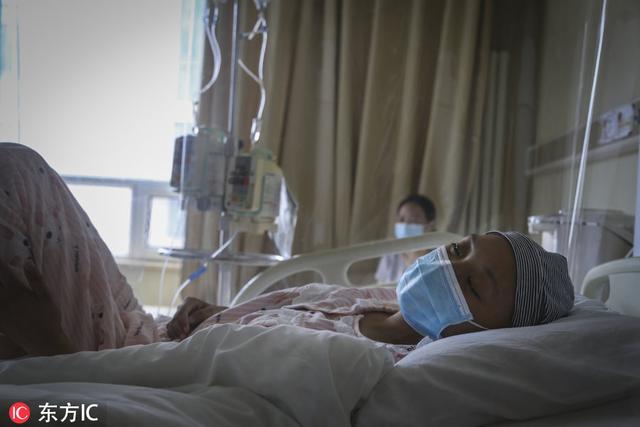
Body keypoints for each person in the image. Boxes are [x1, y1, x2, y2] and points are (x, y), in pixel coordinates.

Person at [0, 144, 575, 361]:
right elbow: (263, 322)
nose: (448, 266)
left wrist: (59, 353)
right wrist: (214, 315)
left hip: (123, 360)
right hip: (152, 330)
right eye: (458, 250)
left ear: (490, 333)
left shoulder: (381, 367)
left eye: (473, 284)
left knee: (12, 173)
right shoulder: (373, 298)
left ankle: (46, 365)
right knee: (18, 170)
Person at [375, 194, 436, 284]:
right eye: (402, 219)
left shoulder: (439, 255)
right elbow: (379, 284)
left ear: (429, 225)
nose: (406, 225)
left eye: (414, 220)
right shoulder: (391, 252)